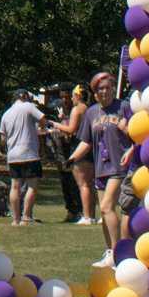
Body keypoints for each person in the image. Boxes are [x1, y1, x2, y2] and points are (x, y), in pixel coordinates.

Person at [70, 71, 128, 254]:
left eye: (107, 88)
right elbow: (86, 141)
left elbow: (139, 135)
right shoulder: (91, 112)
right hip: (101, 167)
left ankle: (118, 251)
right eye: (100, 89)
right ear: (95, 93)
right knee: (104, 212)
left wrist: (126, 130)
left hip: (120, 166)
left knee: (106, 207)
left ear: (113, 89)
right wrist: (72, 158)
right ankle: (110, 251)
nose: (104, 91)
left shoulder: (124, 107)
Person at [0, 89, 44, 227]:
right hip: (29, 153)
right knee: (32, 186)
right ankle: (26, 217)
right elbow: (42, 118)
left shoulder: (6, 114)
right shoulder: (29, 107)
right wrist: (40, 129)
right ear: (26, 97)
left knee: (15, 187)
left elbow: (2, 138)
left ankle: (15, 219)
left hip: (13, 155)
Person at [52, 83, 96, 224]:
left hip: (78, 146)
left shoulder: (77, 109)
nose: (71, 99)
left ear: (77, 96)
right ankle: (92, 215)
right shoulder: (89, 109)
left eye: (72, 96)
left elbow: (71, 129)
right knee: (90, 184)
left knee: (82, 184)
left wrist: (54, 123)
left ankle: (86, 216)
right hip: (89, 146)